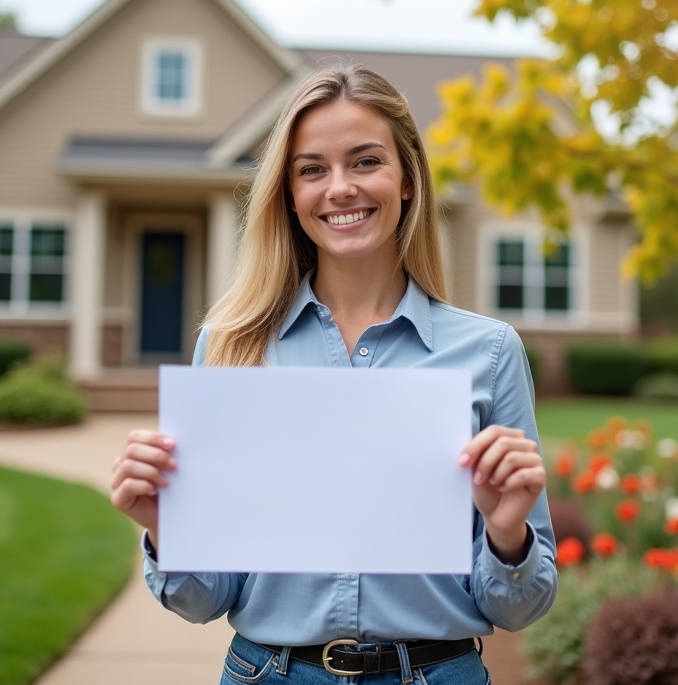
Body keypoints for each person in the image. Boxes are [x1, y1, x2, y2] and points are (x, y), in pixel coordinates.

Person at [110, 63, 558, 684]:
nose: (340, 187)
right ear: (290, 196)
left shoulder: (488, 351)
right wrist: (168, 528)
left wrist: (507, 534)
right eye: (312, 169)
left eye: (366, 161)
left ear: (407, 180)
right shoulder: (230, 347)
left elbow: (519, 607)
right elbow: (204, 597)